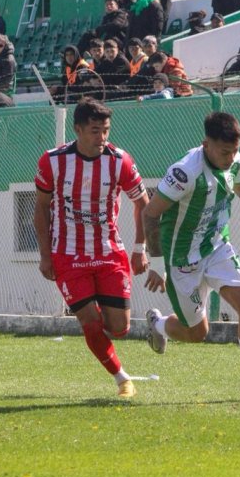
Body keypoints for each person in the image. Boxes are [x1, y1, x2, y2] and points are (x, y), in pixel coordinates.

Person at [141, 112, 240, 387]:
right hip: (181, 257)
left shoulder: (233, 160)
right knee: (196, 333)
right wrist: (156, 264)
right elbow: (150, 214)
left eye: (235, 151)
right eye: (225, 152)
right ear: (206, 145)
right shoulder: (185, 172)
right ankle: (158, 325)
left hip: (216, 247)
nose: (230, 158)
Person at [32, 98, 150, 399]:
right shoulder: (53, 161)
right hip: (67, 255)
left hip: (109, 253)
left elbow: (144, 204)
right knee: (90, 322)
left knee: (120, 328)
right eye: (95, 131)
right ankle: (122, 378)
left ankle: (129, 322)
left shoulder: (119, 160)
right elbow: (41, 209)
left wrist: (141, 247)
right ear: (78, 130)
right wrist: (45, 255)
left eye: (106, 131)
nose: (102, 138)